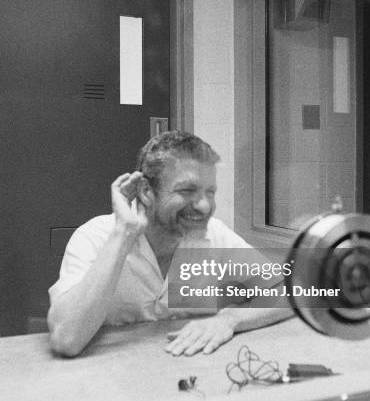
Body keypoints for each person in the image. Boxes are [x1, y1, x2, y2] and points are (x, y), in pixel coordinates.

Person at [48, 131, 292, 357]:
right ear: (145, 191)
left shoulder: (213, 235)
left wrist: (229, 318)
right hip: (110, 384)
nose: (204, 206)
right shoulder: (96, 237)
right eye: (187, 190)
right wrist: (124, 234)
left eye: (210, 192)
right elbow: (66, 339)